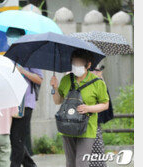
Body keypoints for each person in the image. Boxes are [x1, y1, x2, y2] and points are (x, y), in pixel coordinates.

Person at [50, 49, 109, 167]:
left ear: (88, 65)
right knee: (70, 163)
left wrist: (88, 108)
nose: (76, 66)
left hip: (87, 129)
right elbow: (58, 101)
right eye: (74, 63)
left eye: (79, 64)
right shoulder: (66, 80)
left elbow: (105, 104)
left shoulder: (97, 83)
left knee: (82, 163)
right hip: (67, 127)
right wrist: (54, 88)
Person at [6, 27, 43, 167]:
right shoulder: (8, 54)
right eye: (8, 36)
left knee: (18, 139)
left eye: (13, 36)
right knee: (14, 138)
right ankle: (30, 165)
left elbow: (39, 79)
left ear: (21, 37)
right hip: (10, 103)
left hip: (25, 103)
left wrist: (22, 71)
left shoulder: (30, 56)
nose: (9, 39)